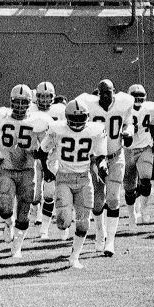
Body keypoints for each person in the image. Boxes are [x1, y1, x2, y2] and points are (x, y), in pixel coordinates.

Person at [41, 98, 108, 267]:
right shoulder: (57, 129)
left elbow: (99, 156)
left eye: (81, 118)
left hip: (85, 178)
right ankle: (64, 227)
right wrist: (47, 169)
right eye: (75, 118)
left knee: (83, 222)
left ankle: (74, 257)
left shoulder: (95, 130)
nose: (78, 122)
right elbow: (42, 151)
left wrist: (101, 166)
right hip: (64, 177)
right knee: (63, 221)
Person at [0, 85, 50, 258]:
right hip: (7, 169)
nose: (21, 106)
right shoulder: (1, 118)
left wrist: (40, 155)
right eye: (18, 102)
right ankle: (8, 223)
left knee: (24, 212)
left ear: (30, 103)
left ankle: (17, 246)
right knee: (4, 209)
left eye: (25, 103)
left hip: (28, 170)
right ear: (11, 102)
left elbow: (45, 146)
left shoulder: (37, 121)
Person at [80, 79, 134, 254]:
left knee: (113, 199)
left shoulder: (124, 103)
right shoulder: (89, 104)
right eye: (101, 92)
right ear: (97, 93)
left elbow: (129, 123)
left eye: (108, 92)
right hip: (96, 158)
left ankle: (110, 241)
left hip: (116, 156)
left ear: (114, 92)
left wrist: (128, 133)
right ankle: (99, 231)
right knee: (97, 200)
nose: (104, 96)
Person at [123, 84, 154, 229]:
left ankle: (144, 210)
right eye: (135, 96)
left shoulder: (150, 109)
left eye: (140, 96)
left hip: (145, 147)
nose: (138, 99)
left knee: (145, 178)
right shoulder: (124, 110)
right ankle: (132, 215)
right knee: (129, 187)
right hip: (127, 150)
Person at [31, 81, 66, 231]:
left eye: (48, 97)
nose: (44, 100)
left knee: (49, 191)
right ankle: (35, 212)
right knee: (35, 193)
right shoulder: (31, 110)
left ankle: (43, 221)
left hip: (52, 155)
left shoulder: (60, 110)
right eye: (41, 97)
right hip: (34, 155)